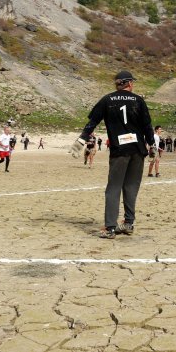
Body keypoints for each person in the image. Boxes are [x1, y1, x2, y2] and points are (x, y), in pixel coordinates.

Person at [71, 71, 154, 239]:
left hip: (119, 150)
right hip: (138, 149)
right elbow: (147, 125)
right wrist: (152, 145)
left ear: (117, 84)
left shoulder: (107, 100)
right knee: (131, 186)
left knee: (114, 188)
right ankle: (128, 223)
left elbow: (92, 122)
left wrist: (82, 139)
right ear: (130, 83)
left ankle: (110, 227)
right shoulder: (138, 100)